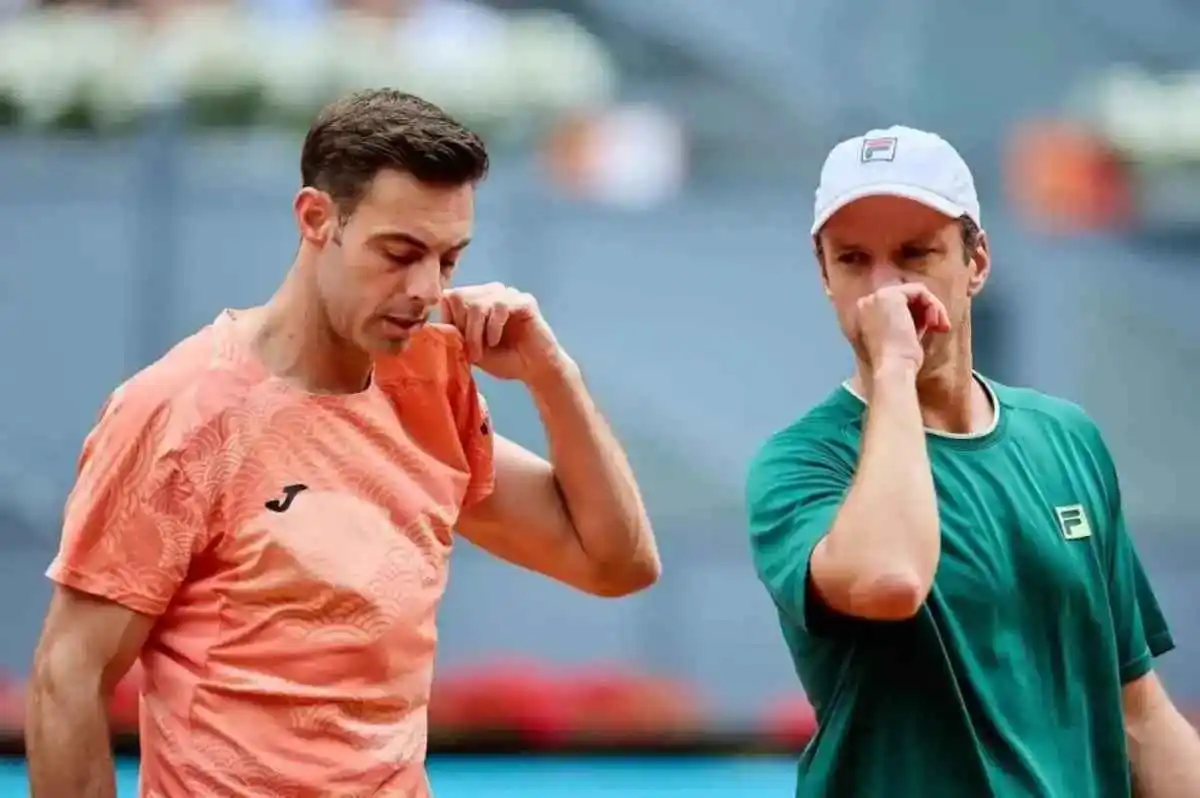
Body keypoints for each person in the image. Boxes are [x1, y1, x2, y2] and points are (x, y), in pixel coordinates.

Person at [26, 89, 661, 798]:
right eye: (400, 252)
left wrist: (552, 374)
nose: (425, 288)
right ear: (315, 219)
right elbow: (67, 681)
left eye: (449, 260)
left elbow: (617, 563)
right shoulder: (177, 412)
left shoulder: (431, 385)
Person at [745, 125, 1200, 797]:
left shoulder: (1065, 439)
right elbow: (889, 578)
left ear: (976, 262)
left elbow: (1137, 712)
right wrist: (895, 367)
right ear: (824, 275)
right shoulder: (801, 463)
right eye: (852, 260)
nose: (885, 290)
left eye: (915, 255)